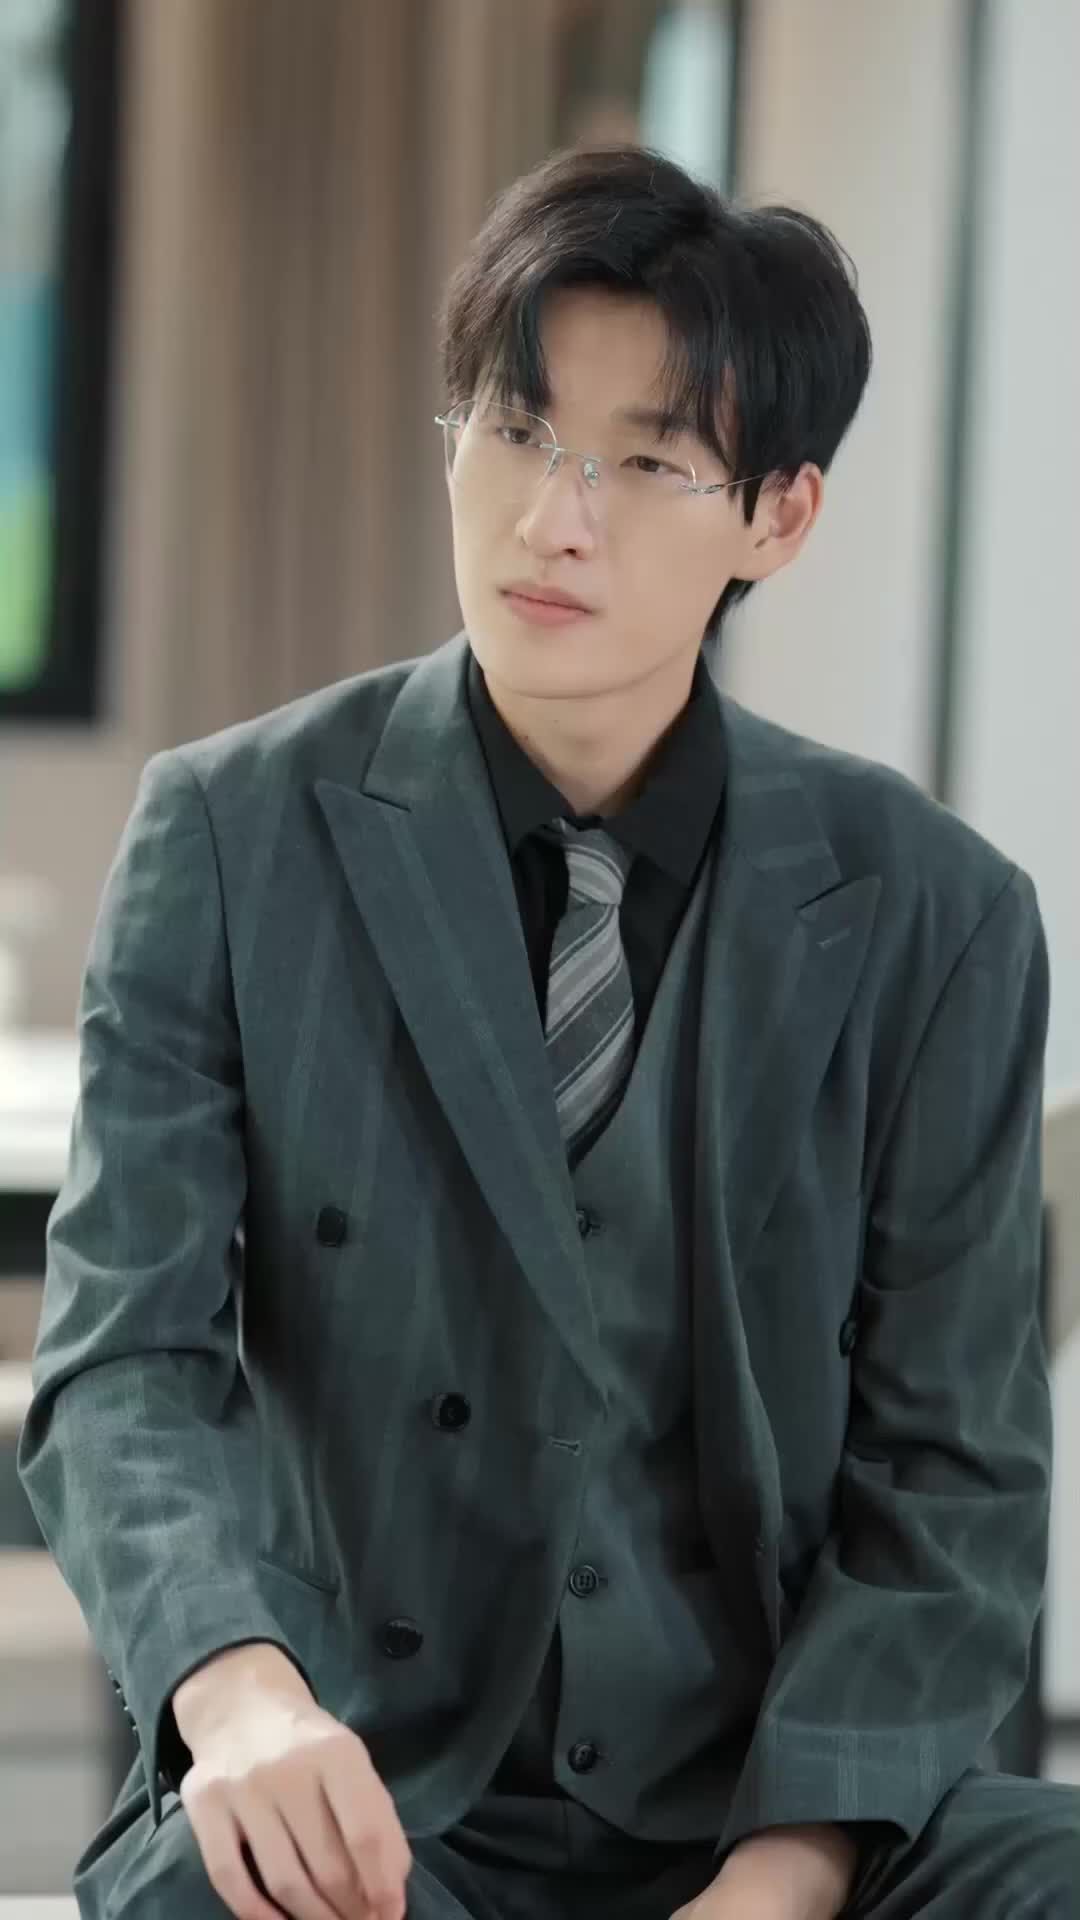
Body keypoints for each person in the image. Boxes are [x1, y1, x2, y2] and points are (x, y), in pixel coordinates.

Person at [18, 143, 1079, 1920]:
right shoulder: (231, 834)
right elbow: (123, 1359)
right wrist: (239, 1696)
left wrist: (785, 1880)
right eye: (515, 432)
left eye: (646, 462)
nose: (551, 519)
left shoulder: (937, 916)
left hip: (773, 1808)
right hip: (367, 1785)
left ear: (779, 516)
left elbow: (953, 1478)